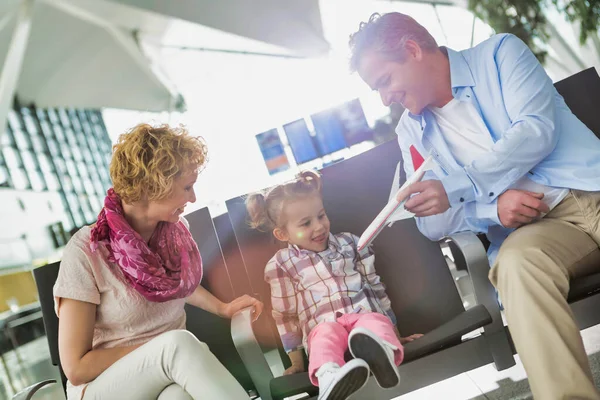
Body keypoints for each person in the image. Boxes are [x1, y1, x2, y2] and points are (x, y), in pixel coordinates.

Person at [349, 12, 600, 400]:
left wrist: (459, 185)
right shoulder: (411, 132)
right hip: (538, 233)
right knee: (515, 267)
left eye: (385, 82)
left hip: (590, 189)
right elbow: (430, 223)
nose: (385, 98)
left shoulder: (500, 55)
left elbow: (535, 130)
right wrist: (490, 210)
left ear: (412, 50)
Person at [54, 123, 264, 400]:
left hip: (167, 371)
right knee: (178, 345)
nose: (193, 197)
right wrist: (157, 349)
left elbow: (175, 284)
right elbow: (77, 368)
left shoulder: (173, 233)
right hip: (101, 387)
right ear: (152, 186)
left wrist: (222, 307)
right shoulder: (86, 250)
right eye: (187, 187)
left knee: (178, 396)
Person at [246, 171, 422, 400]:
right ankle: (330, 378)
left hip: (363, 316)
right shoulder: (282, 264)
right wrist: (296, 362)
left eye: (321, 216)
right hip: (323, 324)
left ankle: (385, 353)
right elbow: (285, 316)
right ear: (282, 233)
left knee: (374, 322)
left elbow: (375, 287)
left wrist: (396, 335)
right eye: (306, 223)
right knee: (323, 336)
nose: (319, 227)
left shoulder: (351, 242)